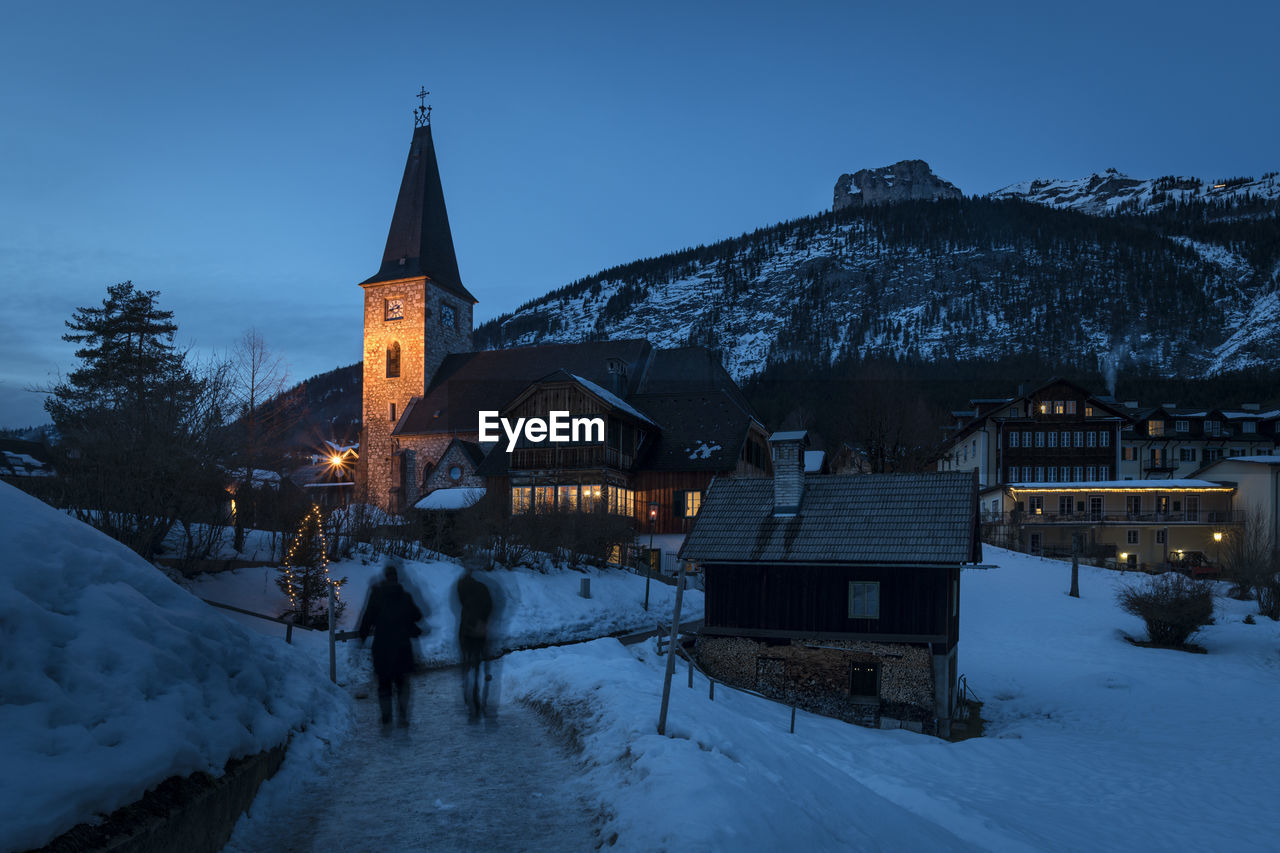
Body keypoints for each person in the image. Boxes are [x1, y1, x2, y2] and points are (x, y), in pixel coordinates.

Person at [358, 562, 423, 727]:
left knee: (384, 684)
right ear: (397, 579)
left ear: (385, 578)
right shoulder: (405, 596)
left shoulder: (376, 595)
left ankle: (386, 716)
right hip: (402, 648)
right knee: (402, 684)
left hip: (382, 648)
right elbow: (418, 616)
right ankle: (402, 716)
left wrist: (361, 638)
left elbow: (367, 620)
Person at [456, 558, 494, 717]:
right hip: (479, 633)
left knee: (467, 663)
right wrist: (483, 622)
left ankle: (468, 695)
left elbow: (461, 599)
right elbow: (490, 607)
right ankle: (477, 699)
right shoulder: (484, 588)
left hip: (466, 631)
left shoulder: (463, 587)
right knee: (478, 666)